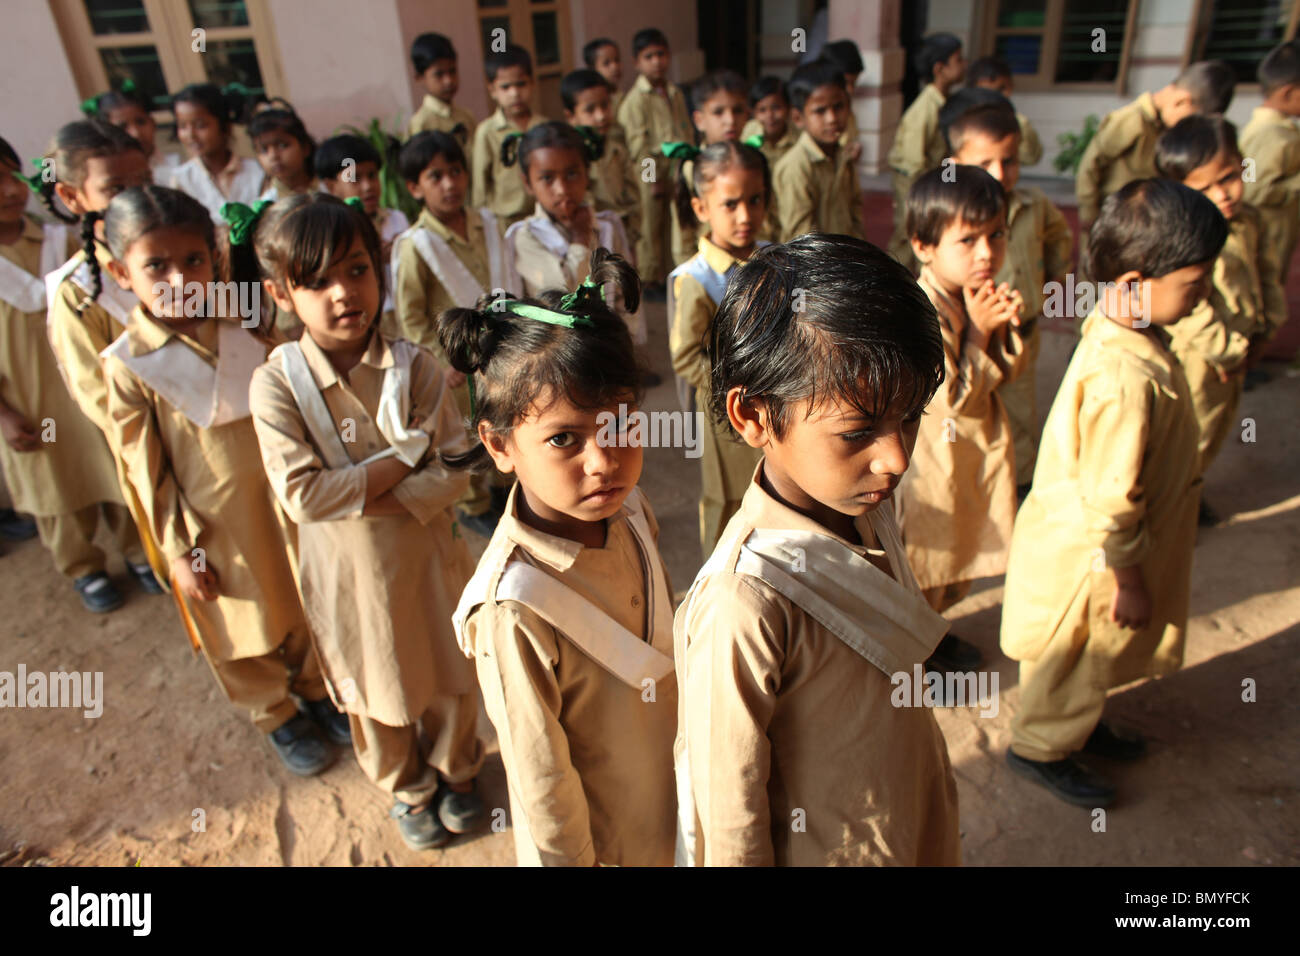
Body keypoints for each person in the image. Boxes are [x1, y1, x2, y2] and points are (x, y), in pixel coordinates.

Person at [674, 233, 960, 866]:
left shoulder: (866, 504)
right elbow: (730, 815)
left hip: (909, 817)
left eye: (910, 416)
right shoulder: (742, 603)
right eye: (858, 431)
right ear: (753, 417)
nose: (896, 458)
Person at [248, 192, 486, 850]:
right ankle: (408, 787)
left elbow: (458, 467)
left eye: (356, 270)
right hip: (349, 574)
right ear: (281, 293)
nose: (343, 293)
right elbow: (303, 497)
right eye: (316, 281)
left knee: (450, 670)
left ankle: (458, 770)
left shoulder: (417, 367)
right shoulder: (277, 384)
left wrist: (364, 493)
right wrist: (405, 458)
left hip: (429, 557)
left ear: (378, 268)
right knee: (373, 680)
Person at [96, 184, 344, 775]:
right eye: (156, 265)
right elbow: (143, 467)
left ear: (214, 256)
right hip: (210, 524)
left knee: (302, 595)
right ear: (119, 272)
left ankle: (315, 685)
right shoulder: (128, 364)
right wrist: (178, 549)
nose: (180, 280)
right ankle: (274, 712)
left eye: (193, 260)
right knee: (238, 619)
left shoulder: (246, 320)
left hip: (283, 497)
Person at [444, 248, 678, 867]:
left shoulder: (631, 509)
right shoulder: (510, 610)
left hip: (678, 802)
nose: (603, 461)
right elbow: (542, 783)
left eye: (620, 425)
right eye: (564, 438)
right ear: (499, 445)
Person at [1000, 179, 1226, 807]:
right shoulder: (1122, 379)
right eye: (1194, 283)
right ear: (1132, 283)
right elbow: (1111, 497)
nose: (1204, 293)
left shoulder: (1128, 325)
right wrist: (1128, 580)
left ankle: (1078, 722)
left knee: (1087, 657)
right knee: (1076, 650)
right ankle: (1040, 748)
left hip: (1097, 550)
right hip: (1095, 560)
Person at [0, 136, 142, 612]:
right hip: (29, 397)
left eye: (11, 176)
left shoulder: (58, 241)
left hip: (87, 383)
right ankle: (83, 567)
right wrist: (3, 414)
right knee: (55, 486)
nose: (9, 190)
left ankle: (137, 551)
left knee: (111, 469)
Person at [897, 165, 1025, 675]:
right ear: (924, 246)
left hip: (964, 455)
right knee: (925, 567)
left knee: (955, 560)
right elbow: (948, 397)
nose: (986, 253)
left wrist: (1001, 327)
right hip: (932, 464)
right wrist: (979, 335)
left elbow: (1007, 372)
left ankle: (932, 631)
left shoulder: (972, 295)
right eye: (968, 240)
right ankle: (913, 653)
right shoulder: (923, 310)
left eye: (996, 235)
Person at [39, 119, 161, 606]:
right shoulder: (78, 294)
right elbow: (100, 399)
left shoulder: (187, 256)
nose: (135, 199)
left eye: (143, 182)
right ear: (73, 197)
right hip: (155, 450)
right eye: (114, 188)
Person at [1155, 115, 1286, 522]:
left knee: (1216, 428)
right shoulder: (1185, 237)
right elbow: (1189, 310)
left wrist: (1268, 327)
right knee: (1188, 433)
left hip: (1239, 351)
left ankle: (1189, 490)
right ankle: (1167, 508)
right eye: (1204, 188)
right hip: (1203, 357)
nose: (1222, 194)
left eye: (1228, 178)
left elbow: (1267, 274)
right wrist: (1227, 352)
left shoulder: (1250, 221)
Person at [942, 88, 1072, 494]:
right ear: (954, 166)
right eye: (985, 163)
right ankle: (976, 495)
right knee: (966, 420)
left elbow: (1060, 239)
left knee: (1018, 419)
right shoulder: (948, 216)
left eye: (1009, 160)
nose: (999, 173)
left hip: (1021, 333)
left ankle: (1020, 489)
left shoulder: (1035, 205)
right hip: (970, 340)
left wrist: (1054, 279)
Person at [393, 130, 507, 537]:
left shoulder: (488, 224)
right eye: (435, 176)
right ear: (415, 188)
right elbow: (411, 316)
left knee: (504, 416)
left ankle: (504, 487)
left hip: (500, 346)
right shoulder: (416, 245)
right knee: (466, 429)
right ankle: (473, 503)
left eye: (456, 172)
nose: (449, 184)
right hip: (458, 363)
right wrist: (442, 362)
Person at [668, 141, 766, 554]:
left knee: (771, 490)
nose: (745, 216)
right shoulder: (698, 278)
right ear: (701, 208)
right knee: (726, 499)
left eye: (755, 200)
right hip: (724, 411)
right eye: (730, 204)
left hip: (773, 398)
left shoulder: (772, 259)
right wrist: (732, 386)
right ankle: (718, 575)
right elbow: (686, 356)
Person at [500, 123, 641, 345]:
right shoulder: (524, 237)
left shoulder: (606, 227)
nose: (562, 189)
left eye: (572, 174)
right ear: (528, 183)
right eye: (547, 178)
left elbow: (624, 296)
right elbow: (564, 296)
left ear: (587, 173)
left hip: (608, 347)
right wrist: (579, 241)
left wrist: (625, 341)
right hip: (556, 351)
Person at [1074, 60, 1234, 227]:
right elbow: (1090, 166)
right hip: (1112, 220)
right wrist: (1089, 216)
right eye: (1189, 120)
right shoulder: (1131, 120)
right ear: (1181, 102)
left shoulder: (1163, 127)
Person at [616, 28, 692, 287]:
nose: (657, 61)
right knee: (650, 227)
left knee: (674, 223)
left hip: (676, 169)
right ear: (637, 62)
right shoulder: (635, 100)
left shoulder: (674, 92)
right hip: (650, 173)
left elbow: (685, 130)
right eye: (649, 57)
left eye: (661, 54)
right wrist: (652, 179)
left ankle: (671, 273)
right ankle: (648, 279)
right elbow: (639, 146)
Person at [315, 133, 410, 336]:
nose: (368, 186)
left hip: (405, 312)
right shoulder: (331, 232)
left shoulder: (396, 219)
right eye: (355, 178)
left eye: (372, 175)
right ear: (331, 186)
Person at [885, 32, 964, 268]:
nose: (964, 65)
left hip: (929, 180)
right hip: (913, 182)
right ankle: (892, 277)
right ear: (939, 68)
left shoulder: (944, 102)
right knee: (907, 234)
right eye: (958, 60)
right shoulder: (924, 110)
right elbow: (913, 163)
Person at [772, 60, 863, 242]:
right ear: (798, 118)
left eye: (838, 106)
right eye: (820, 111)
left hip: (846, 254)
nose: (832, 118)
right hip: (815, 259)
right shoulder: (796, 167)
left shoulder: (842, 155)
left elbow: (855, 212)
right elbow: (802, 240)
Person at [1241, 39, 1300, 287]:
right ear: (1288, 92)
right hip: (1266, 238)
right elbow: (1253, 188)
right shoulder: (1270, 134)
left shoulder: (1282, 131)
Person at [562, 69, 640, 254]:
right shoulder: (570, 158)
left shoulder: (617, 149)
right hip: (590, 242)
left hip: (621, 236)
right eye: (590, 110)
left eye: (605, 106)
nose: (601, 116)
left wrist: (632, 239)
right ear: (571, 116)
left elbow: (633, 197)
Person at [471, 44, 548, 233]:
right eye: (505, 87)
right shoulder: (487, 132)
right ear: (492, 90)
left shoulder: (544, 126)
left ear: (532, 83)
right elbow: (480, 185)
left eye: (521, 84)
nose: (515, 93)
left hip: (542, 215)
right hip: (504, 221)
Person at [168, 83, 265, 219]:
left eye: (200, 126)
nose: (191, 135)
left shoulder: (258, 171)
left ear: (225, 126)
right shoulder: (181, 179)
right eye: (182, 126)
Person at [82, 78, 178, 182]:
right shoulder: (111, 180)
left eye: (141, 122)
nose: (136, 133)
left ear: (153, 122)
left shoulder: (177, 167)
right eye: (122, 127)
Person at [407, 31, 477, 161]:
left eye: (452, 71)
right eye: (439, 74)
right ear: (420, 78)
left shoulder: (466, 117)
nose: (448, 81)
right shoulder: (421, 123)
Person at [740, 76, 795, 240]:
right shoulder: (749, 137)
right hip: (762, 215)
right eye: (762, 110)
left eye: (776, 107)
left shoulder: (799, 138)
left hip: (789, 209)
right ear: (753, 113)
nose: (770, 115)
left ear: (788, 108)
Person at [964, 56, 1044, 167]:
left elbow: (1031, 157)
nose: (1004, 95)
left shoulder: (1018, 121)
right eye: (987, 92)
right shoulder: (959, 118)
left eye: (1003, 89)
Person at [249, 102, 317, 201]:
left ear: (305, 147)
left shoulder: (330, 187)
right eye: (264, 150)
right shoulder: (268, 203)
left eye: (282, 145)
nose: (273, 156)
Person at [582, 36, 625, 115]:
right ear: (592, 69)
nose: (615, 67)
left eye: (617, 60)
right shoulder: (595, 103)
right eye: (606, 63)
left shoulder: (621, 95)